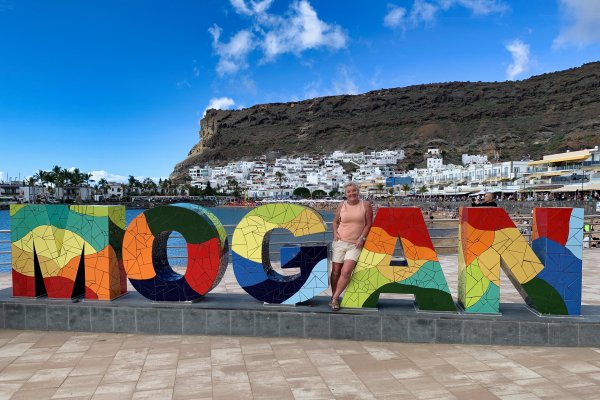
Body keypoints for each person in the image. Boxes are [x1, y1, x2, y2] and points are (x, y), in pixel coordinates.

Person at [330, 182, 373, 311]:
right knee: (335, 271)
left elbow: (369, 224)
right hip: (340, 242)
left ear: (358, 191)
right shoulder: (341, 205)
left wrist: (362, 238)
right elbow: (335, 222)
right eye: (348, 191)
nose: (351, 193)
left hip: (355, 245)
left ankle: (335, 298)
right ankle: (334, 296)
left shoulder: (365, 205)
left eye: (354, 190)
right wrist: (335, 233)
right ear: (345, 194)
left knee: (346, 271)